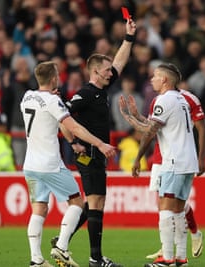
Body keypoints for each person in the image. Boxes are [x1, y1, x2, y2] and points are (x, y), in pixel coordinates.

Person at [20, 61, 116, 267]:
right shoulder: (54, 102)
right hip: (50, 164)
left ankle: (36, 259)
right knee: (77, 203)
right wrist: (100, 144)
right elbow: (74, 127)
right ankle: (62, 247)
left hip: (30, 165)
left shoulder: (27, 96)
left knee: (39, 210)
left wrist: (72, 143)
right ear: (54, 78)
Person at [63, 17, 137, 267]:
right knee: (96, 201)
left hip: (96, 153)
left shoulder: (100, 90)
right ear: (95, 71)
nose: (111, 73)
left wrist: (128, 38)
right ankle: (95, 258)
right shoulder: (84, 93)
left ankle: (63, 241)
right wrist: (73, 142)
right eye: (106, 70)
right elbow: (62, 118)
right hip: (89, 154)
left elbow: (119, 62)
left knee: (93, 202)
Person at [119, 63, 198, 267]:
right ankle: (180, 257)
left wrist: (137, 159)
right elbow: (153, 126)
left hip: (173, 160)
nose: (152, 79)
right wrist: (131, 116)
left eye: (155, 76)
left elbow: (150, 132)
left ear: (164, 80)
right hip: (189, 161)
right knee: (179, 209)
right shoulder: (181, 100)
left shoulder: (164, 100)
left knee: (165, 207)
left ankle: (167, 258)